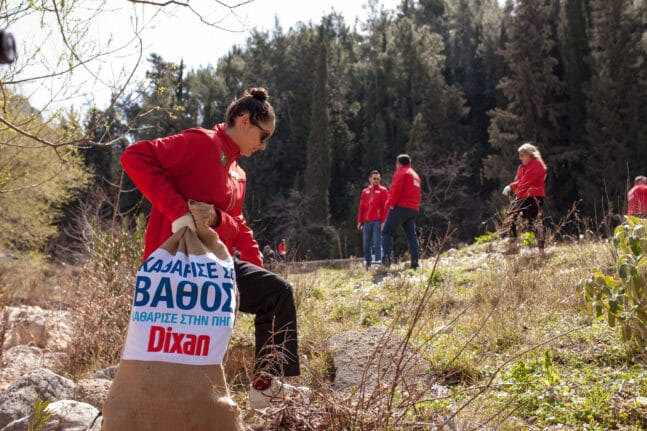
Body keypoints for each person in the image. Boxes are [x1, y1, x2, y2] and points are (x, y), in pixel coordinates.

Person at [120, 87, 308, 410]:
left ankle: (265, 387)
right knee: (177, 350)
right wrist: (178, 212)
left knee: (277, 293)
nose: (263, 147)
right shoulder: (202, 142)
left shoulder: (239, 173)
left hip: (213, 269)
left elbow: (235, 222)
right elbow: (134, 157)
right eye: (263, 137)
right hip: (174, 265)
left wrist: (251, 257)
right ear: (244, 120)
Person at [502, 142, 547, 254]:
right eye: (520, 155)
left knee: (532, 222)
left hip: (533, 196)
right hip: (522, 196)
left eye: (522, 155)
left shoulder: (537, 165)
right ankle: (513, 246)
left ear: (529, 154)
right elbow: (521, 181)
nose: (520, 157)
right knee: (510, 218)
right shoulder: (523, 166)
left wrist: (511, 186)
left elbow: (526, 181)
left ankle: (541, 250)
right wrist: (514, 188)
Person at [381, 154, 422, 269]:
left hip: (401, 207)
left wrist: (392, 205)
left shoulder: (401, 172)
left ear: (399, 163)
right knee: (412, 237)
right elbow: (418, 193)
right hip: (413, 209)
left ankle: (386, 262)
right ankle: (415, 264)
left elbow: (395, 189)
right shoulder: (415, 175)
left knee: (386, 232)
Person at [357, 170, 389, 269]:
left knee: (377, 242)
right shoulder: (365, 191)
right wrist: (359, 221)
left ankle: (379, 263)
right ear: (370, 179)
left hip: (377, 221)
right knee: (366, 244)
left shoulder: (383, 190)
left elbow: (386, 207)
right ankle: (368, 263)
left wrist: (383, 221)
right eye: (374, 178)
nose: (376, 180)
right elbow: (361, 207)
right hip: (366, 222)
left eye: (378, 179)